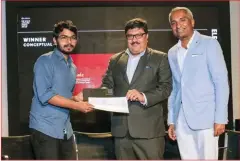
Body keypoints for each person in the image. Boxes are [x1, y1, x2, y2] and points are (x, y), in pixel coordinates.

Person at [101, 18, 172, 159]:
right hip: (121, 132)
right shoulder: (115, 60)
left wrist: (143, 96)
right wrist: (91, 95)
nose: (134, 40)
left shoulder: (160, 58)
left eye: (138, 35)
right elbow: (107, 86)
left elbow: (166, 87)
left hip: (149, 133)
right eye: (130, 36)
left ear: (146, 36)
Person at [167, 7, 229, 159]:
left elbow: (221, 82)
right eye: (174, 23)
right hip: (182, 121)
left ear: (192, 22)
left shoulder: (209, 44)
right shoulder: (172, 52)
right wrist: (172, 121)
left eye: (183, 20)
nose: (178, 25)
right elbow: (175, 89)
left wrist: (220, 118)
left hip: (206, 119)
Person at [29, 20, 94, 160]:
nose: (69, 41)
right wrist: (77, 105)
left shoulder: (73, 67)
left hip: (65, 130)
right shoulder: (44, 61)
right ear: (54, 40)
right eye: (64, 37)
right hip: (44, 129)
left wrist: (74, 98)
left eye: (73, 38)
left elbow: (62, 96)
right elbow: (45, 95)